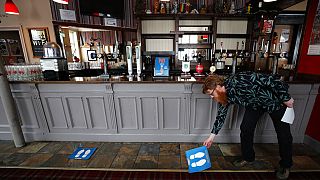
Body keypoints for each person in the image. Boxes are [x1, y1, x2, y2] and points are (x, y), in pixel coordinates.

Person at [202, 71, 294, 180]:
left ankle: (285, 165)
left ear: (218, 87)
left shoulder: (239, 79)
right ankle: (248, 157)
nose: (212, 97)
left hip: (274, 102)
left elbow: (271, 80)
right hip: (255, 105)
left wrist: (286, 98)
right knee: (246, 128)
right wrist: (211, 137)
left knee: (284, 135)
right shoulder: (224, 95)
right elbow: (221, 115)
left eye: (212, 94)